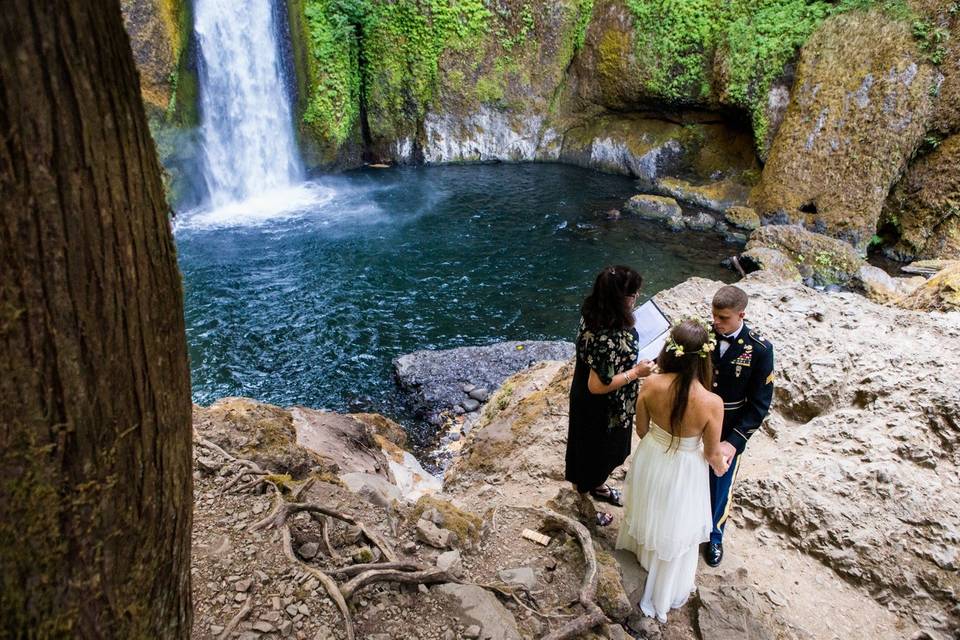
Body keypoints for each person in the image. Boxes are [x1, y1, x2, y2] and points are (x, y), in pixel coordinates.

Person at [616, 318, 729, 622]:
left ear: (670, 350)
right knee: (676, 522)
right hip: (686, 466)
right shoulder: (712, 402)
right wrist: (723, 463)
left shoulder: (651, 383)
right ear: (705, 357)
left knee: (649, 507)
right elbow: (711, 451)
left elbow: (641, 430)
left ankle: (643, 558)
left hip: (652, 455)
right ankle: (663, 585)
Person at [565, 265, 655, 527]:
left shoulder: (594, 307)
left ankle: (597, 485)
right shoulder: (606, 336)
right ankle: (586, 506)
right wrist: (636, 372)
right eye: (633, 294)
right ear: (620, 297)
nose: (636, 298)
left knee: (604, 452)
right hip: (601, 406)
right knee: (595, 454)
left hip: (605, 400)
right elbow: (597, 385)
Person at [704, 285, 774, 567]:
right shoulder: (705, 334)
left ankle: (714, 535)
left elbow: (759, 404)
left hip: (729, 425)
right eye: (714, 316)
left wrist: (733, 442)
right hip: (698, 421)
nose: (717, 323)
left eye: (723, 318)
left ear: (741, 315)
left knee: (720, 482)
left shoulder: (759, 349)